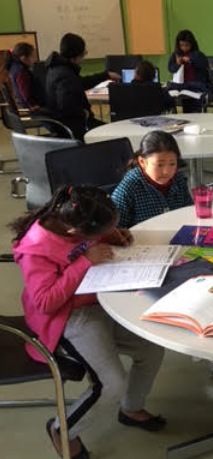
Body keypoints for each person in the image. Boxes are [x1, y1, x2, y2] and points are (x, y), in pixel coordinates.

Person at [10, 185, 166, 459]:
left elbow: (96, 234)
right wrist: (83, 263)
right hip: (66, 317)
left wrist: (115, 237)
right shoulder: (36, 249)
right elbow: (45, 301)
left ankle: (131, 408)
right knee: (111, 383)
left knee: (151, 347)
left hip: (99, 299)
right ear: (75, 232)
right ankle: (63, 429)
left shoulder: (79, 213)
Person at [44, 33, 120, 140]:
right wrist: (84, 113)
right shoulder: (65, 74)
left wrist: (106, 75)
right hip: (75, 127)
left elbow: (80, 83)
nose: (83, 59)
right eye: (83, 54)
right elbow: (65, 105)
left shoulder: (57, 68)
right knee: (115, 135)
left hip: (68, 125)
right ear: (75, 56)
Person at [111, 130, 193, 228]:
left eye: (172, 163)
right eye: (159, 165)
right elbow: (113, 230)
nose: (166, 171)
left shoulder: (179, 180)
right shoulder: (128, 187)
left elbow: (189, 213)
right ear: (142, 162)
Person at [167, 29, 209, 113]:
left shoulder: (198, 54)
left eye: (187, 45)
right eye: (181, 45)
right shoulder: (176, 54)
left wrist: (191, 60)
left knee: (176, 86)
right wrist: (178, 64)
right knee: (168, 88)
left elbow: (204, 65)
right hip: (183, 85)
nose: (184, 48)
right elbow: (170, 69)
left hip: (196, 85)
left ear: (192, 44)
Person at [4, 42, 42, 110]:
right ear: (24, 58)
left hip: (24, 105)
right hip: (30, 109)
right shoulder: (21, 72)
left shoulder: (13, 67)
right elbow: (26, 94)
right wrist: (34, 106)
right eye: (33, 56)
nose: (35, 59)